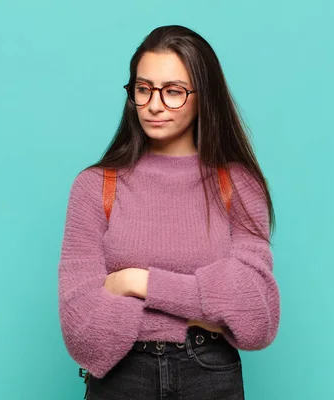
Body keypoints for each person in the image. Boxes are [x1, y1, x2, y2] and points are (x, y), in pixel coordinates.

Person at [58, 25, 280, 399]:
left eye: (173, 91)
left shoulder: (237, 185)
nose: (155, 104)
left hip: (210, 374)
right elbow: (83, 334)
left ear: (202, 97)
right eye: (143, 89)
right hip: (122, 376)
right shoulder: (95, 186)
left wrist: (136, 283)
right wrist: (207, 305)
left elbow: (258, 319)